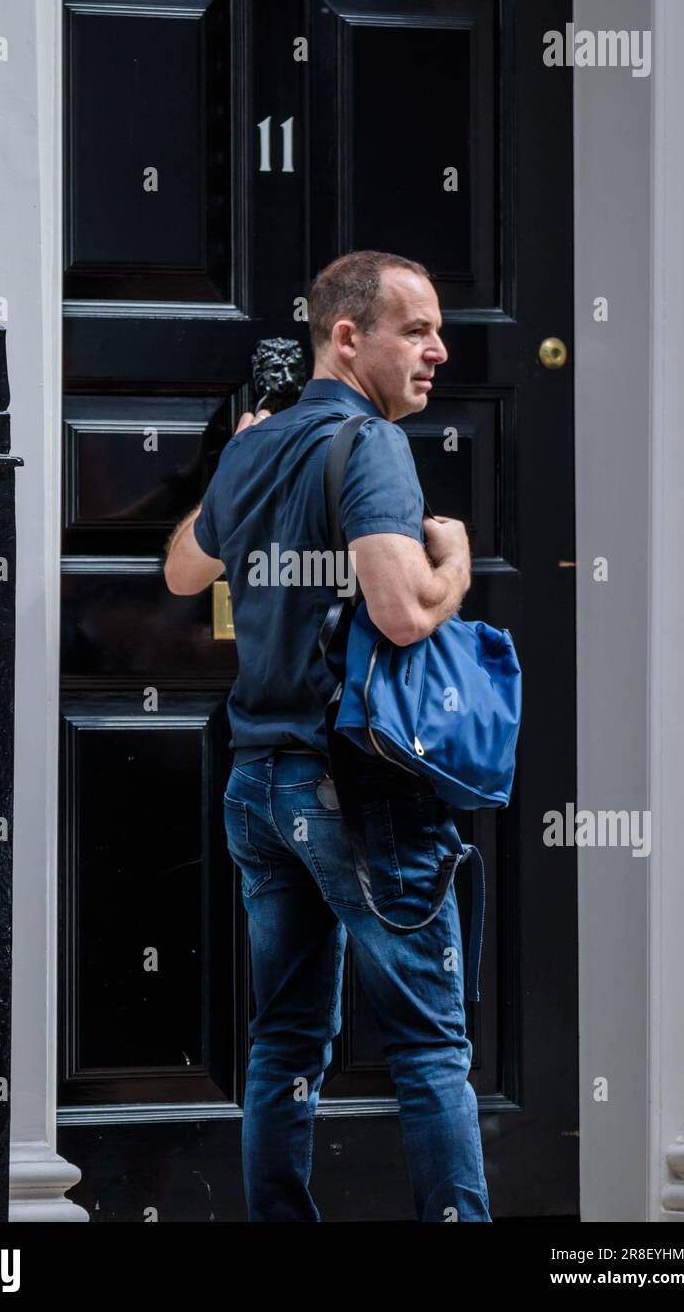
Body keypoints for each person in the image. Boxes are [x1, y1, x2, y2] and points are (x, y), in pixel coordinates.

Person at [163, 249, 490, 1222]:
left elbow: (184, 568)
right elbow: (399, 611)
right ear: (347, 336)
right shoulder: (371, 445)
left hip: (258, 785)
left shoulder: (258, 446)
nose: (437, 350)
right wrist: (456, 564)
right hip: (353, 789)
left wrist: (239, 459)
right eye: (416, 329)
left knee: (285, 1040)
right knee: (430, 1045)